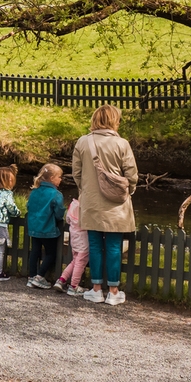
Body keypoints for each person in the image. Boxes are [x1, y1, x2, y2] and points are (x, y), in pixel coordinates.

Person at [73, 104, 138, 306]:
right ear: (113, 121)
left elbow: (76, 173)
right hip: (116, 206)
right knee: (113, 247)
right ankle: (113, 291)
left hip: (91, 203)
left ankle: (96, 289)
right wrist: (129, 191)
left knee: (94, 245)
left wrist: (86, 190)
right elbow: (131, 174)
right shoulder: (122, 144)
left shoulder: (83, 142)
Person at [25, 164, 65, 289]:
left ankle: (31, 276)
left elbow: (28, 207)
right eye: (59, 177)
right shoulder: (56, 194)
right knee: (51, 253)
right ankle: (40, 276)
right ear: (52, 178)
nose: (61, 180)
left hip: (34, 228)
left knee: (35, 252)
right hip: (48, 229)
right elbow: (59, 213)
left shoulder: (34, 192)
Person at [53, 197, 89, 296]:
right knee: (80, 263)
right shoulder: (86, 207)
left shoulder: (73, 205)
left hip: (74, 238)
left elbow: (68, 220)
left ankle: (62, 279)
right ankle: (74, 286)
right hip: (84, 240)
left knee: (74, 261)